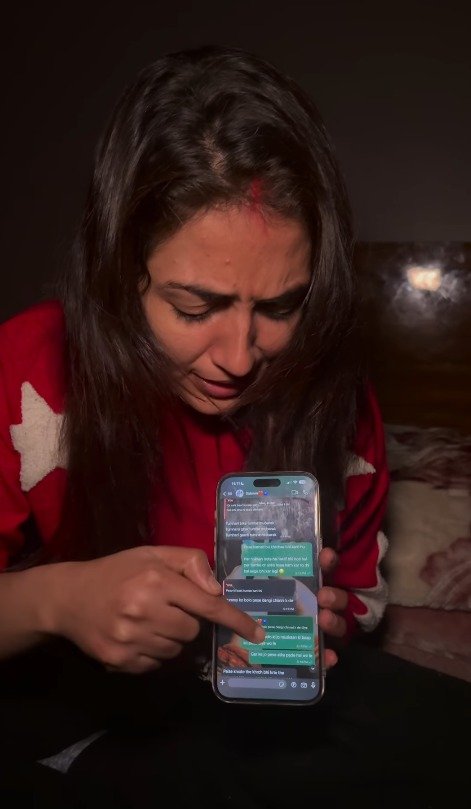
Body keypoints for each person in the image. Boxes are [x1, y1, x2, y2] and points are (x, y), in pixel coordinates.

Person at [0, 46, 468, 807]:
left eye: (280, 306)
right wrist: (58, 600)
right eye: (195, 307)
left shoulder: (338, 401)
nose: (241, 357)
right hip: (45, 710)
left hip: (231, 714)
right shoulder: (27, 370)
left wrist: (324, 623)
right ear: (119, 274)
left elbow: (355, 601)